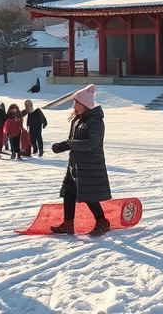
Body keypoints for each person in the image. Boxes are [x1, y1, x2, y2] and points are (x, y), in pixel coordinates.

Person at [49, 84, 111, 236]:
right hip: (76, 165)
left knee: (89, 196)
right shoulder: (77, 120)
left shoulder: (95, 121)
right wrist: (64, 146)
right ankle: (68, 224)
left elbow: (92, 143)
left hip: (90, 165)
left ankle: (102, 221)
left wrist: (67, 144)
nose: (74, 106)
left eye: (77, 103)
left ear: (85, 104)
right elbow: (74, 141)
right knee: (69, 192)